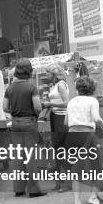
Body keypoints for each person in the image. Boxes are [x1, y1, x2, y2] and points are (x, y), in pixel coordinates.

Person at [65, 76, 103, 204]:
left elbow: (66, 121)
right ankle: (93, 198)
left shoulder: (71, 102)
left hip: (72, 136)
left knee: (76, 170)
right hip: (87, 136)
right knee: (97, 166)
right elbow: (96, 118)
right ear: (92, 88)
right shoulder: (92, 100)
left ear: (78, 88)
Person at [3, 59, 46, 198]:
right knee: (31, 157)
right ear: (29, 70)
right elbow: (38, 107)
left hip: (15, 124)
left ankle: (19, 189)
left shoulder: (9, 88)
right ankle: (34, 190)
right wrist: (36, 114)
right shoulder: (31, 87)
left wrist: (14, 111)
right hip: (29, 123)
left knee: (18, 157)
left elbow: (4, 107)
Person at [41, 63, 70, 192]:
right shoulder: (55, 85)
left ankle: (65, 182)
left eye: (47, 73)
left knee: (61, 150)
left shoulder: (62, 85)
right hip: (55, 117)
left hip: (61, 119)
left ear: (54, 74)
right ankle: (60, 181)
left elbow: (67, 103)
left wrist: (50, 103)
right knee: (57, 149)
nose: (46, 75)